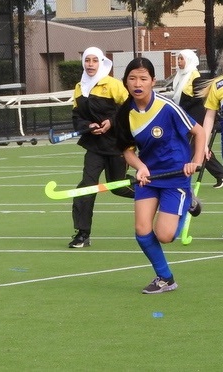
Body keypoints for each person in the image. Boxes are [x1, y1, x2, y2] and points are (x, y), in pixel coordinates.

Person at [115, 57, 205, 294]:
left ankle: (188, 203)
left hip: (176, 175)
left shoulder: (167, 107)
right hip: (150, 177)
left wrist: (195, 161)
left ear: (152, 81)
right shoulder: (125, 114)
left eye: (143, 78)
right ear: (126, 82)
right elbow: (127, 150)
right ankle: (165, 277)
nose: (137, 83)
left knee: (165, 236)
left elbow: (200, 131)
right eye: (132, 78)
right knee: (142, 230)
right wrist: (140, 167)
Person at [68, 47, 134, 248]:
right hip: (95, 147)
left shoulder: (113, 84)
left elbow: (130, 108)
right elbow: (77, 117)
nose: (90, 64)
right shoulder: (80, 87)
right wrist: (87, 126)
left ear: (101, 62)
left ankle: (159, 190)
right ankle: (82, 233)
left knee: (119, 187)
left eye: (94, 60)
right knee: (86, 187)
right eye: (87, 60)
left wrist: (111, 122)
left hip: (117, 145)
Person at [172, 49, 223, 188]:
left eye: (182, 59)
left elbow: (200, 100)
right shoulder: (181, 77)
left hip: (195, 120)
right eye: (178, 59)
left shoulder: (196, 77)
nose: (179, 62)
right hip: (186, 119)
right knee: (200, 147)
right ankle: (220, 174)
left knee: (192, 148)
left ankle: (178, 174)